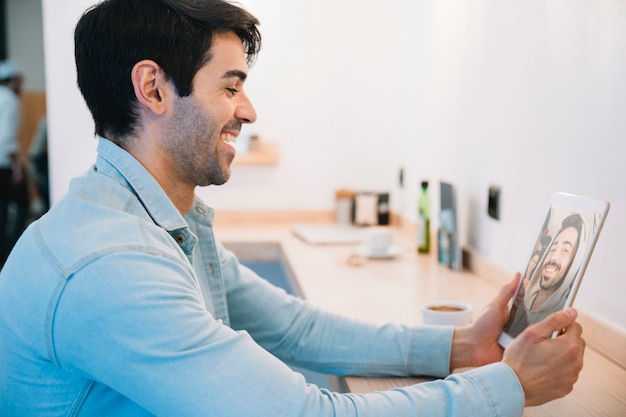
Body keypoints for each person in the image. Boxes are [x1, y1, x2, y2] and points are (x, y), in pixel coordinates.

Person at [0, 1, 585, 416]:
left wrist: (458, 347)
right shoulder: (111, 264)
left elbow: (292, 325)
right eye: (230, 87)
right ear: (152, 88)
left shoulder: (158, 222)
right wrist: (511, 385)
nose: (249, 111)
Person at [507, 213, 586, 337]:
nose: (553, 257)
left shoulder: (559, 314)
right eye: (552, 249)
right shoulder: (528, 296)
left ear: (574, 262)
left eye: (565, 250)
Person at [0, 59, 29, 265]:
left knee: (1, 211)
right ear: (13, 79)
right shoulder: (9, 99)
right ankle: (14, 252)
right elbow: (6, 137)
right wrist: (17, 166)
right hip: (3, 166)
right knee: (22, 204)